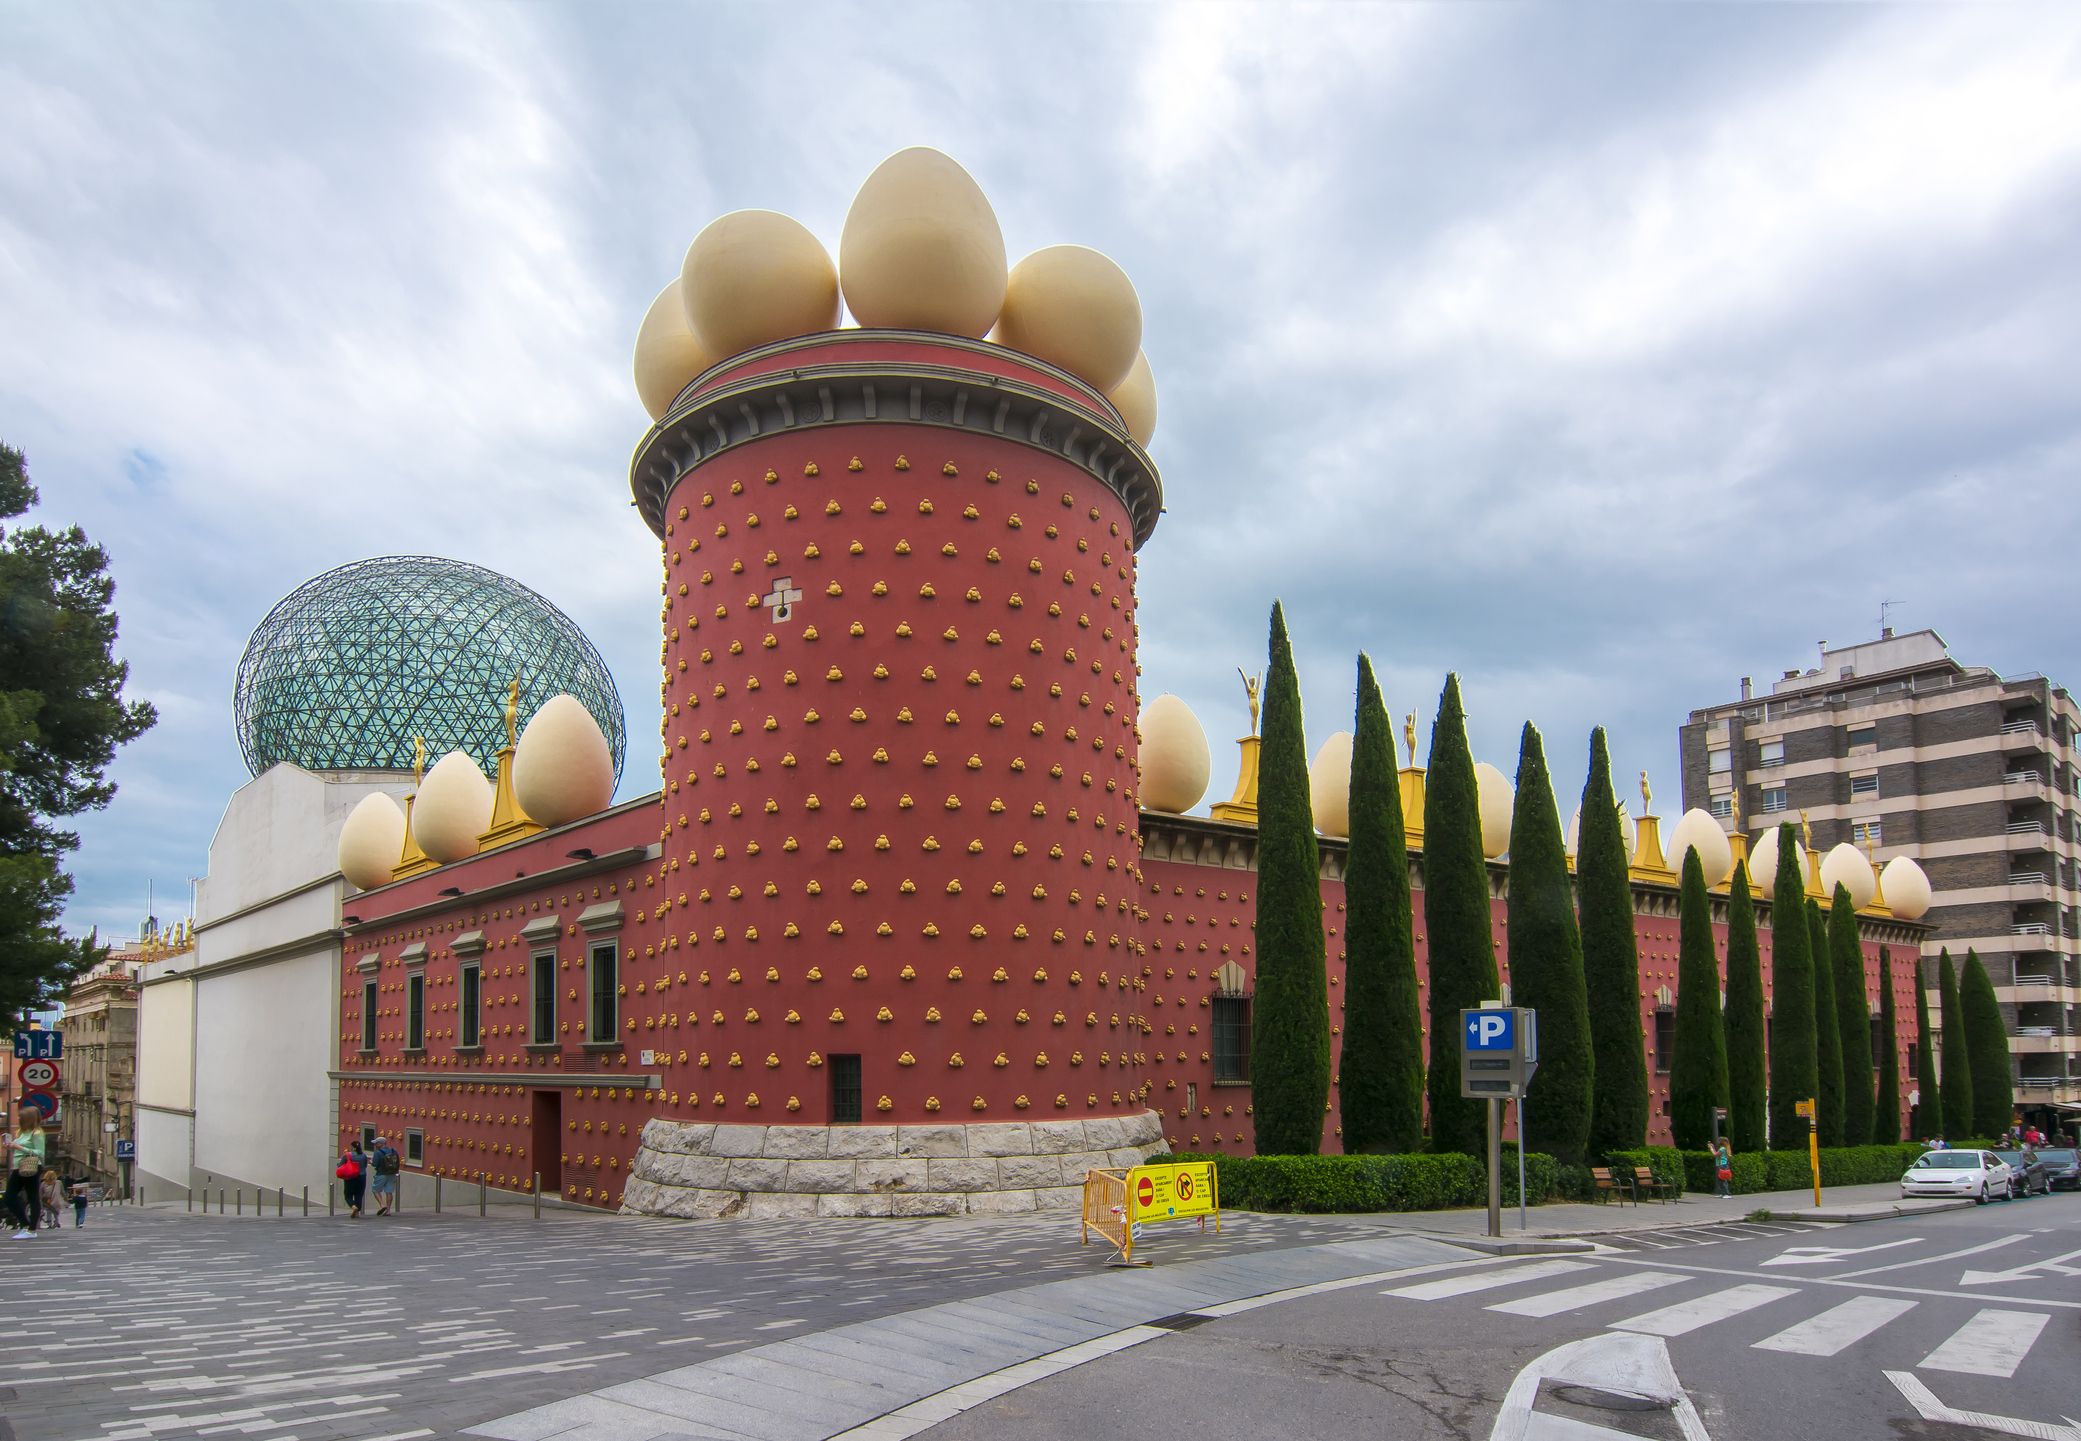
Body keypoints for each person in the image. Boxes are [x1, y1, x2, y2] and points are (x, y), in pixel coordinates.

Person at [6, 1108, 47, 1238]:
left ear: (27, 1119)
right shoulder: (21, 1133)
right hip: (18, 1167)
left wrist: (18, 1147)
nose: (18, 1119)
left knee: (32, 1197)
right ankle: (24, 1224)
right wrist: (11, 1147)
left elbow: (40, 1153)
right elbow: (19, 1151)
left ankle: (31, 1230)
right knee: (9, 1197)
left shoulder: (37, 1133)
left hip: (32, 1167)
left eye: (20, 1117)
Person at [368, 1135, 400, 1217]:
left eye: (376, 1143)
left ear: (381, 1144)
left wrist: (371, 1162)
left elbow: (375, 1164)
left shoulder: (378, 1152)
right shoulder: (393, 1150)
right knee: (389, 1192)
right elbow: (397, 1162)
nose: (375, 1145)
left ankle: (382, 1205)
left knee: (375, 1190)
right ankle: (388, 1210)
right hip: (392, 1173)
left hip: (381, 1174)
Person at [337, 1140, 367, 1219]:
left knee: (348, 1195)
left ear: (353, 1147)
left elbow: (340, 1165)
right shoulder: (364, 1155)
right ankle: (357, 1212)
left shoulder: (347, 1155)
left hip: (350, 1177)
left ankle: (353, 1207)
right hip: (362, 1177)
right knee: (359, 1194)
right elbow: (365, 1165)